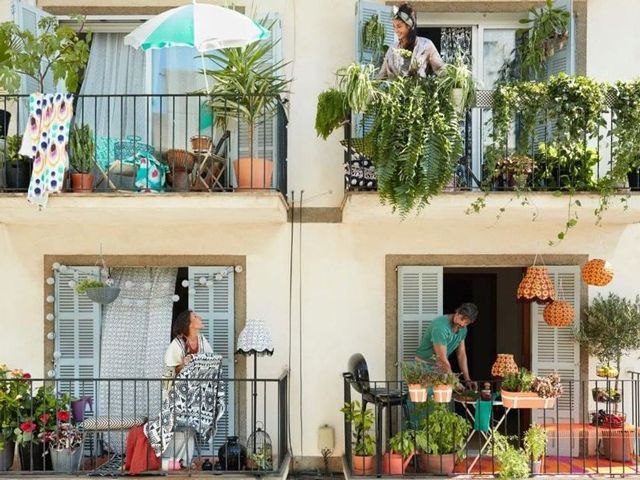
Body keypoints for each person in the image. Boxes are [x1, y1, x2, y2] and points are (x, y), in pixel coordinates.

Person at [415, 302, 478, 390]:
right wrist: (454, 382)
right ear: (457, 312)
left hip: (441, 367)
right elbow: (441, 359)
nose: (463, 324)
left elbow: (461, 354)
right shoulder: (440, 327)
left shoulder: (463, 329)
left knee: (444, 399)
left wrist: (467, 379)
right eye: (462, 319)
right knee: (426, 400)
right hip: (425, 365)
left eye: (467, 322)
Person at [378, 2, 445, 79]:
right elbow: (381, 77)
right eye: (394, 26)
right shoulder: (392, 49)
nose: (396, 30)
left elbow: (441, 71)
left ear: (409, 25)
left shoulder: (426, 45)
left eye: (399, 26)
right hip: (395, 90)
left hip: (418, 90)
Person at [164, 309, 213, 380]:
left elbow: (210, 359)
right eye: (195, 317)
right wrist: (184, 364)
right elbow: (170, 371)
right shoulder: (177, 343)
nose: (200, 318)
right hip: (182, 388)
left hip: (200, 386)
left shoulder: (202, 339)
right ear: (188, 324)